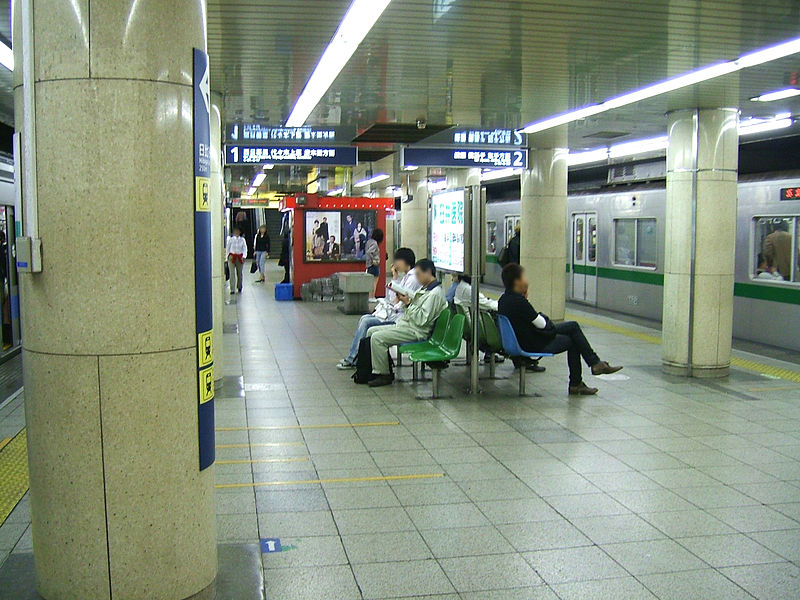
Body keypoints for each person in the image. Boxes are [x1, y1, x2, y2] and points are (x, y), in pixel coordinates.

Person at [498, 263, 621, 395]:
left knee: (572, 328)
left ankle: (593, 365)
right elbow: (543, 325)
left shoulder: (504, 299)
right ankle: (582, 376)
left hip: (521, 340)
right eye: (524, 277)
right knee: (573, 337)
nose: (527, 280)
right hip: (531, 343)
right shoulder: (519, 302)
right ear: (517, 281)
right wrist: (527, 301)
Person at [366, 259, 447, 387]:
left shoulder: (435, 294)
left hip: (416, 331)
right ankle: (379, 367)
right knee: (371, 331)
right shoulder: (426, 289)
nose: (417, 278)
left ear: (428, 272)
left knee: (377, 338)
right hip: (408, 325)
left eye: (419, 274)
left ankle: (383, 374)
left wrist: (408, 303)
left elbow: (422, 320)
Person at [337, 248, 420, 369]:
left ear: (404, 261)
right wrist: (395, 277)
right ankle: (356, 357)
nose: (395, 264)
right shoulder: (405, 277)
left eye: (397, 260)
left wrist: (392, 304)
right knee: (365, 318)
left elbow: (399, 302)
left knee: (366, 321)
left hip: (400, 318)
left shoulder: (412, 279)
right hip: (396, 314)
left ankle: (352, 359)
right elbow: (393, 298)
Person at [453, 274, 510, 366]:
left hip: (467, 325)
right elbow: (486, 304)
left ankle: (489, 353)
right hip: (474, 327)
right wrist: (503, 305)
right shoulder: (469, 289)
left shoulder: (461, 286)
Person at [226, 227, 248, 294]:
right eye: (235, 231)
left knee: (239, 273)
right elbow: (228, 248)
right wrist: (227, 257)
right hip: (232, 257)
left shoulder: (242, 240)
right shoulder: (230, 239)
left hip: (239, 257)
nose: (236, 232)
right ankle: (232, 289)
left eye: (238, 231)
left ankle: (239, 286)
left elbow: (245, 248)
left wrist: (244, 256)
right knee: (231, 273)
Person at [365, 228, 383, 301]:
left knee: (370, 282)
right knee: (374, 282)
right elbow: (369, 252)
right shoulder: (375, 243)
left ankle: (370, 297)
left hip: (369, 265)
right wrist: (374, 260)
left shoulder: (369, 241)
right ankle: (372, 297)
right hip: (374, 265)